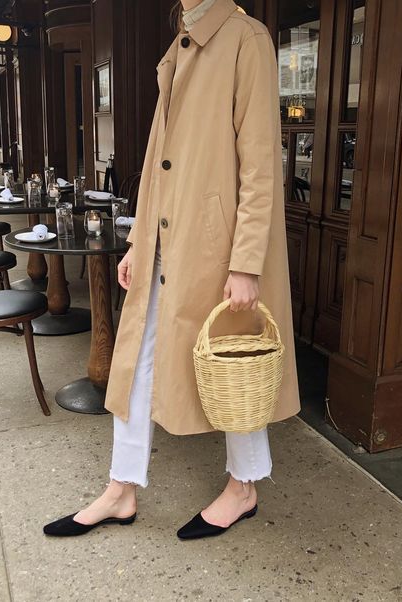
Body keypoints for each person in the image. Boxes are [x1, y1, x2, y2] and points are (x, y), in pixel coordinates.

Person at [43, 0, 300, 540]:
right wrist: (137, 241)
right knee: (134, 359)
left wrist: (247, 263)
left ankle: (244, 485)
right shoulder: (179, 44)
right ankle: (121, 487)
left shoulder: (245, 39)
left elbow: (260, 165)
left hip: (217, 244)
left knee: (235, 357)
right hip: (166, 237)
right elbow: (158, 160)